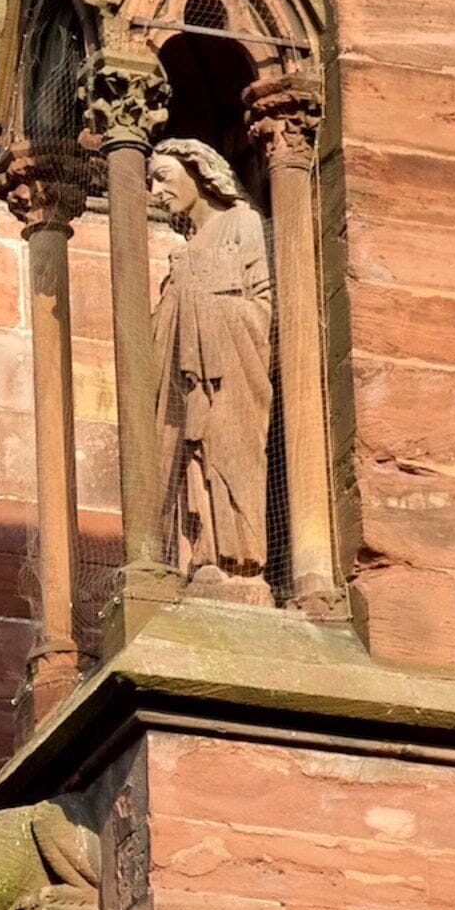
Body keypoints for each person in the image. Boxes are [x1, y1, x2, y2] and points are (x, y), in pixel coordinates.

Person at [150, 138, 274, 587]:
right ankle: (198, 555)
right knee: (191, 465)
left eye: (162, 178)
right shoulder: (181, 250)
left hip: (232, 375)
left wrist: (204, 305)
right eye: (149, 183)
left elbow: (262, 307)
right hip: (187, 386)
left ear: (197, 173)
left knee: (230, 454)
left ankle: (237, 558)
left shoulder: (242, 222)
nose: (155, 192)